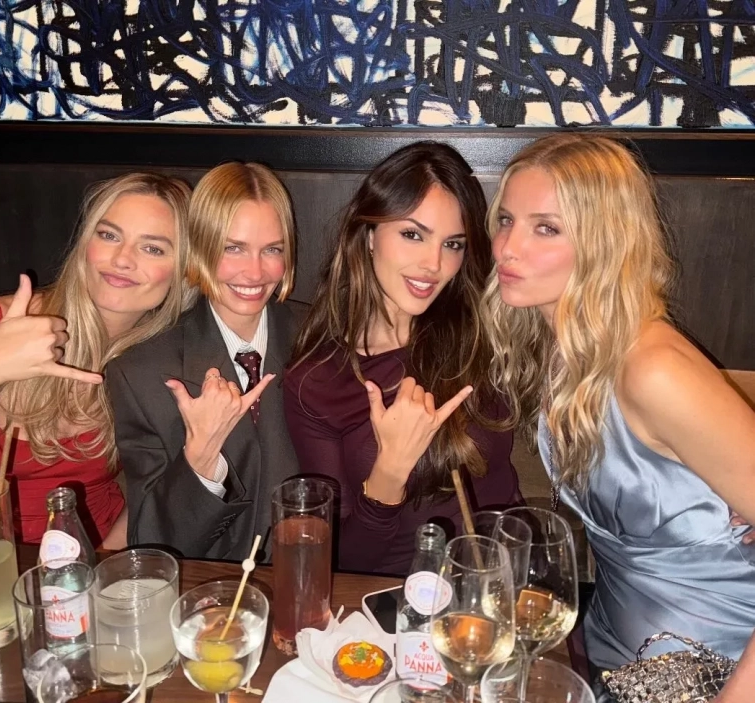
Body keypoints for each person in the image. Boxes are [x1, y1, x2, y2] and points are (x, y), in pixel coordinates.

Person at [483, 133, 755, 671]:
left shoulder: (653, 370)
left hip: (714, 663)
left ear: (605, 243)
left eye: (546, 228)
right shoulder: (566, 353)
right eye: (506, 220)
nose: (508, 248)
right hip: (612, 642)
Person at [0, 172, 194, 546]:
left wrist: (103, 566)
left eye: (152, 248)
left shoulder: (170, 364)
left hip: (85, 556)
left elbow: (153, 494)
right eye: (109, 235)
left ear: (185, 270)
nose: (122, 259)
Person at [283, 142, 523, 576]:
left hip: (499, 583)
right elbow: (341, 561)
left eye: (453, 244)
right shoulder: (317, 381)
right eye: (413, 234)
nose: (433, 264)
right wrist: (390, 470)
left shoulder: (483, 333)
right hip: (393, 598)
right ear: (368, 234)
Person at [106, 162, 305, 561]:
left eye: (272, 249)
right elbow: (154, 544)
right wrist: (200, 457)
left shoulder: (324, 338)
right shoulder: (140, 373)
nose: (254, 271)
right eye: (233, 248)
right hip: (215, 586)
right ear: (200, 248)